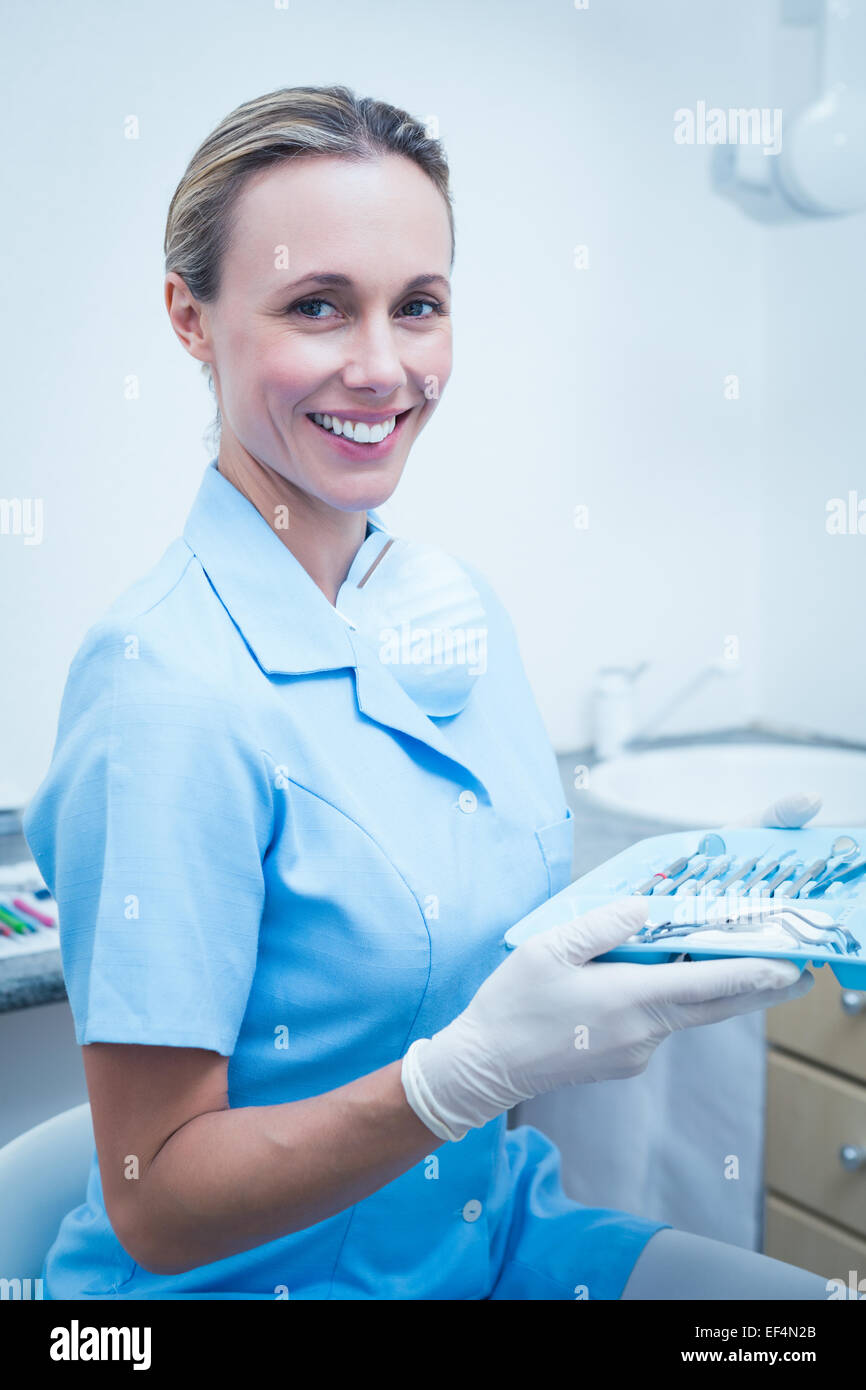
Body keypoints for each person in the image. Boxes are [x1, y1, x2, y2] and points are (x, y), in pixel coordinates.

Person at [22, 84, 828, 1301]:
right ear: (189, 318)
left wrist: (705, 908)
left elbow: (483, 958)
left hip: (491, 1235)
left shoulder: (448, 614)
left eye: (418, 307)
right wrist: (454, 1080)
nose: (381, 367)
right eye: (315, 306)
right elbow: (156, 1199)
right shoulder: (165, 694)